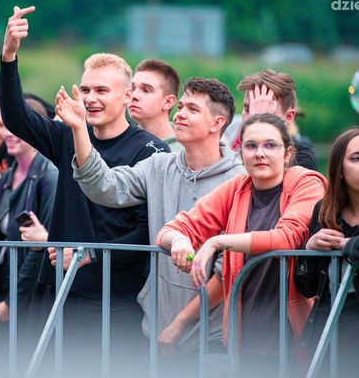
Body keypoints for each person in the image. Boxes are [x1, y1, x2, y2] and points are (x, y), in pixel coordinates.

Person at [0, 5, 169, 373]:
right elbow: (15, 117)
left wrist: (91, 254)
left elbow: (148, 229)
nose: (91, 98)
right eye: (86, 89)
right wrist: (9, 56)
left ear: (127, 96)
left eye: (102, 90)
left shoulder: (151, 150)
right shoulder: (68, 136)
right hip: (63, 289)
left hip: (117, 298)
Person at [59, 76, 244, 365]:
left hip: (212, 337)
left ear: (217, 123)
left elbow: (227, 272)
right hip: (156, 330)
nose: (180, 114)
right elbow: (105, 186)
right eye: (180, 107)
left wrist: (180, 324)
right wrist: (79, 129)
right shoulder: (159, 165)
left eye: (192, 109)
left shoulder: (239, 180)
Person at [157, 113, 325, 375]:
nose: (260, 153)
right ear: (240, 152)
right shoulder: (237, 188)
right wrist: (179, 240)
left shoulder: (305, 182)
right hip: (243, 338)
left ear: (288, 153)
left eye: (270, 145)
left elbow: (286, 237)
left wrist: (216, 242)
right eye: (251, 145)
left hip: (294, 337)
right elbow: (172, 229)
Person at [0, 98, 58, 363]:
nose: (9, 133)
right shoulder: (6, 176)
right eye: (7, 125)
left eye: (17, 126)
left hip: (31, 299)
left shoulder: (49, 177)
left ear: (35, 128)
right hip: (0, 290)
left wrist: (12, 303)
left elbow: (41, 248)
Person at [295, 128, 359, 376]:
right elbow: (307, 288)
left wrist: (347, 246)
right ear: (339, 169)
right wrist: (309, 248)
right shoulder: (325, 210)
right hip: (328, 326)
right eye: (356, 158)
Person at [233, 69, 318, 170]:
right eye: (247, 109)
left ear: (289, 117)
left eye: (267, 115)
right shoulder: (228, 143)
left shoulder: (303, 159)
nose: (250, 120)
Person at [129, 59, 183, 152]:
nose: (134, 96)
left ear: (168, 102)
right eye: (133, 88)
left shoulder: (186, 151)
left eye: (146, 90)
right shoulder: (119, 142)